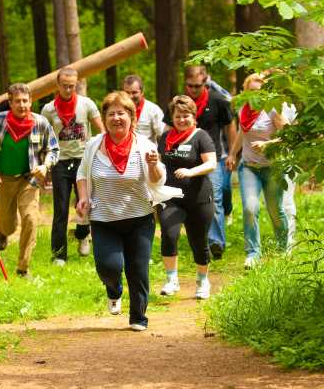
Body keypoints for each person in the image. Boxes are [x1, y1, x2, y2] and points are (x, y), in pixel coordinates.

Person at [75, 91, 180, 332]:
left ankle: (138, 317)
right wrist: (83, 197)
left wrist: (153, 165)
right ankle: (114, 290)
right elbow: (82, 174)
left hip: (139, 218)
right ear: (105, 118)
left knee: (138, 269)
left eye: (121, 113)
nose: (116, 118)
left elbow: (156, 181)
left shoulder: (144, 145)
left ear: (131, 117)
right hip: (104, 218)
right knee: (108, 266)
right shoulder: (93, 145)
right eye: (111, 114)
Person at [0, 83, 60, 278]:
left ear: (31, 102)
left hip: (29, 180)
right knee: (7, 224)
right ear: (10, 103)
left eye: (25, 101)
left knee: (30, 219)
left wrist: (45, 165)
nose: (22, 105)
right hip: (2, 180)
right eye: (18, 101)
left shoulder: (41, 123)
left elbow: (53, 149)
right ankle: (3, 232)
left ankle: (23, 268)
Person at [41, 68, 105, 266]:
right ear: (57, 85)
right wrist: (44, 167)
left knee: (86, 203)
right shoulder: (48, 109)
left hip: (83, 160)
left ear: (76, 84)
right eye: (65, 86)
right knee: (60, 209)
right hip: (60, 162)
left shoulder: (87, 104)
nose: (68, 89)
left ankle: (83, 233)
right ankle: (59, 254)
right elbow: (44, 139)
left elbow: (101, 131)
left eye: (72, 86)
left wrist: (102, 156)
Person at [157, 96, 217, 299]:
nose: (182, 120)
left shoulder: (201, 137)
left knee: (198, 241)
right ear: (172, 117)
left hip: (198, 197)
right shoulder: (165, 138)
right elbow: (158, 164)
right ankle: (171, 280)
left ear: (193, 116)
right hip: (170, 197)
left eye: (186, 116)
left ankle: (202, 281)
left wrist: (191, 172)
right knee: (169, 233)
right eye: (178, 116)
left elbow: (211, 163)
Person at [227, 73, 289, 269]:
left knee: (275, 210)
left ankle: (282, 248)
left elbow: (288, 136)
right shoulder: (243, 110)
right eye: (251, 91)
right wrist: (232, 154)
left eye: (259, 91)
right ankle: (253, 253)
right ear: (245, 92)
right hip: (249, 168)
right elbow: (241, 133)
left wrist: (268, 145)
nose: (256, 95)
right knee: (250, 208)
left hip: (272, 168)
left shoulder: (272, 110)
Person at [181, 65, 235, 260]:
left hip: (216, 158)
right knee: (196, 201)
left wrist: (232, 153)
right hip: (188, 159)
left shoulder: (217, 101)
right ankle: (202, 237)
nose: (194, 90)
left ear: (205, 82)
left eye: (198, 86)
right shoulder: (181, 103)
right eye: (190, 86)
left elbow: (230, 126)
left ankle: (216, 242)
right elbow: (170, 127)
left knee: (217, 198)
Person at [122, 74, 166, 143]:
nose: (130, 96)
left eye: (134, 92)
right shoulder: (118, 110)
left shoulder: (153, 109)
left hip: (146, 152)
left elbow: (164, 134)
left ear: (142, 92)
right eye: (127, 93)